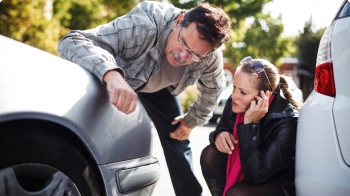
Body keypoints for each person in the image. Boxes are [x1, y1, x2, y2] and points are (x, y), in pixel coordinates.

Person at [57, 1, 231, 196]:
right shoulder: (144, 25)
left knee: (178, 138)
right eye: (183, 43)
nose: (182, 56)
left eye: (193, 55)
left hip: (161, 90)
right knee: (93, 130)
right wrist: (112, 75)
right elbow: (72, 41)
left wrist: (192, 121)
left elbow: (213, 90)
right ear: (178, 22)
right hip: (120, 77)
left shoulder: (210, 57)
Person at [200, 56, 299, 196]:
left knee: (237, 194)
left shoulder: (286, 121)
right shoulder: (235, 102)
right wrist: (220, 134)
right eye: (234, 87)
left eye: (243, 92)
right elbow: (221, 129)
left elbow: (256, 175)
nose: (234, 95)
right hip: (248, 166)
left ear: (265, 96)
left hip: (277, 181)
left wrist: (250, 124)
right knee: (210, 154)